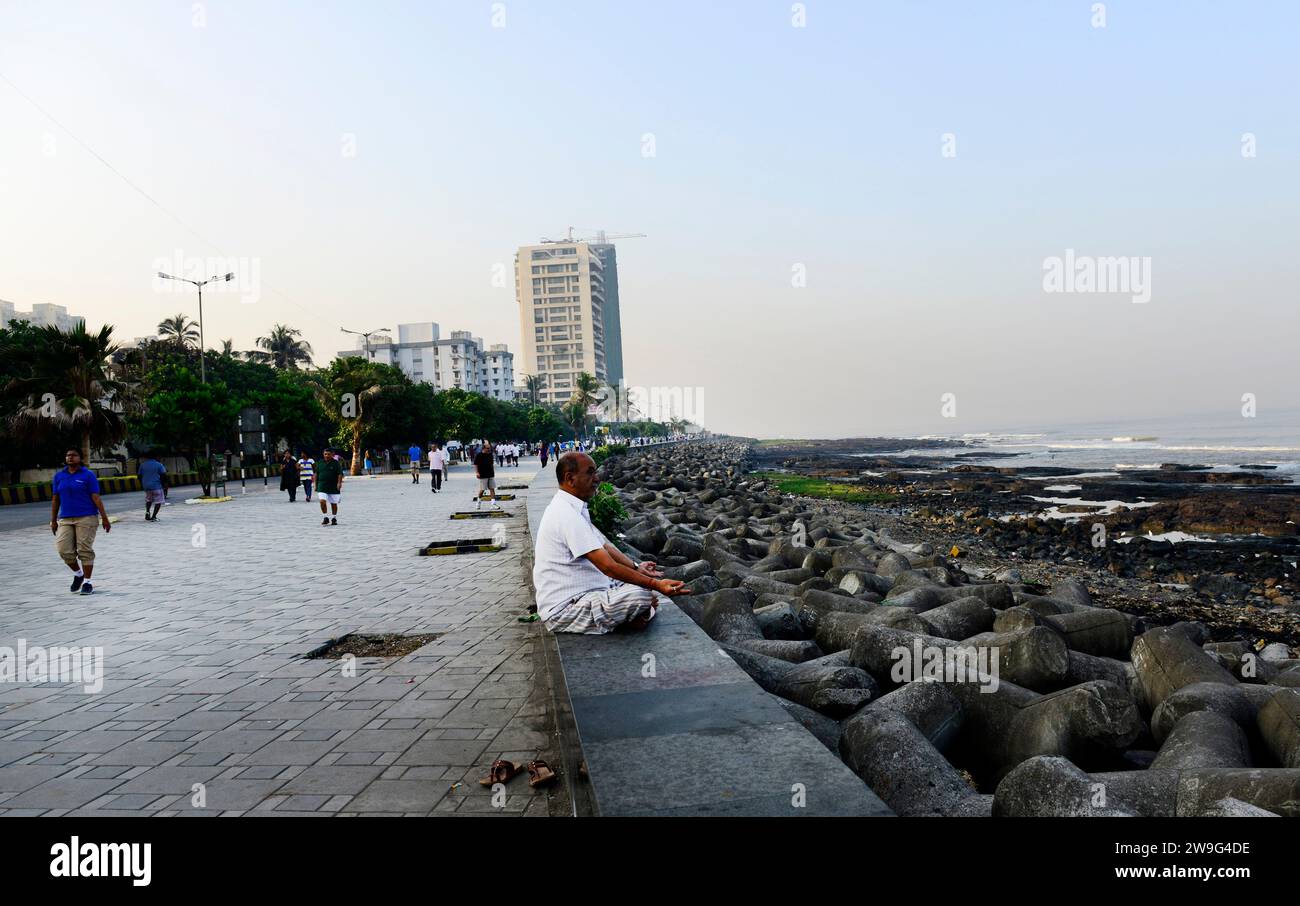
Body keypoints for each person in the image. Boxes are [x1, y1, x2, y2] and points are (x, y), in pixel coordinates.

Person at [533, 451, 688, 634]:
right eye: (590, 473)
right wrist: (656, 584)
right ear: (570, 478)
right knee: (642, 597)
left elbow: (604, 546)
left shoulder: (572, 508)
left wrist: (637, 567)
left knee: (640, 589)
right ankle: (632, 619)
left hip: (591, 591)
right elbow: (608, 567)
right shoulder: (565, 514)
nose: (596, 478)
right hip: (565, 608)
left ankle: (633, 618)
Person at [50, 449, 112, 595]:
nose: (70, 457)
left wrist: (104, 518)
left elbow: (96, 497)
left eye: (73, 455)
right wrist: (53, 520)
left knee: (84, 549)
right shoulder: (59, 476)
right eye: (68, 455)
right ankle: (78, 574)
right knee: (63, 550)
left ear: (80, 458)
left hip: (87, 517)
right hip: (65, 518)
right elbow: (55, 499)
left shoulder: (87, 475)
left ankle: (88, 582)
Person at [316, 448, 344, 525]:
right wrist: (315, 485)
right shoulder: (320, 463)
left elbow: (340, 474)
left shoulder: (336, 463)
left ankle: (334, 518)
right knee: (322, 501)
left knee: (333, 503)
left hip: (333, 486)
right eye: (325, 454)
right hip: (322, 485)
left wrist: (339, 483)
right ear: (323, 454)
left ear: (332, 454)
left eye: (328, 454)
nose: (327, 455)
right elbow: (316, 474)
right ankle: (325, 517)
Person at [137, 451, 167, 521]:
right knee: (158, 501)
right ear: (156, 457)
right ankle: (154, 516)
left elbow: (139, 476)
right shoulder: (159, 465)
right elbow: (164, 475)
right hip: (157, 486)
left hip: (146, 487)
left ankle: (147, 512)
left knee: (149, 500)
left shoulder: (142, 465)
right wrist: (164, 485)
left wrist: (142, 484)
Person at [473, 441, 497, 508]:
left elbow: (492, 464)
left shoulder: (490, 455)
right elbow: (476, 464)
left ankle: (493, 503)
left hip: (490, 474)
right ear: (483, 448)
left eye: (489, 448)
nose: (489, 449)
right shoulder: (479, 455)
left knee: (492, 488)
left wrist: (493, 472)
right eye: (487, 448)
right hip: (483, 474)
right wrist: (477, 472)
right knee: (482, 490)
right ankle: (479, 501)